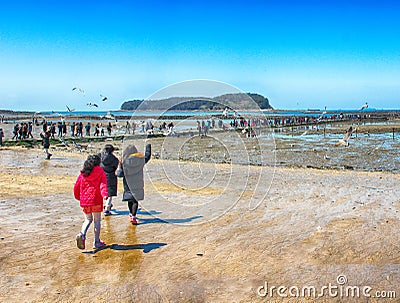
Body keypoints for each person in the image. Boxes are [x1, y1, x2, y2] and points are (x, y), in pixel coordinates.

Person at [74, 155, 108, 250]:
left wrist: (78, 197)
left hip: (85, 202)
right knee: (97, 220)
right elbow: (103, 185)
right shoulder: (100, 172)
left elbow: (76, 186)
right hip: (96, 200)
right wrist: (105, 195)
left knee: (88, 220)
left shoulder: (83, 173)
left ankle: (82, 234)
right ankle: (97, 242)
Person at [117, 143, 151, 225]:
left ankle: (131, 214)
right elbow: (147, 156)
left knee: (130, 199)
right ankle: (133, 216)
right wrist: (148, 146)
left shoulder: (123, 161)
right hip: (138, 183)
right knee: (135, 200)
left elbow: (120, 175)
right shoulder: (140, 159)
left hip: (128, 184)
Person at [100, 144, 119, 216]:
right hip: (111, 176)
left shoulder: (101, 157)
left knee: (103, 191)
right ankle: (107, 208)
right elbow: (116, 167)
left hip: (102, 176)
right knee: (110, 193)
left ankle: (106, 205)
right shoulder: (115, 159)